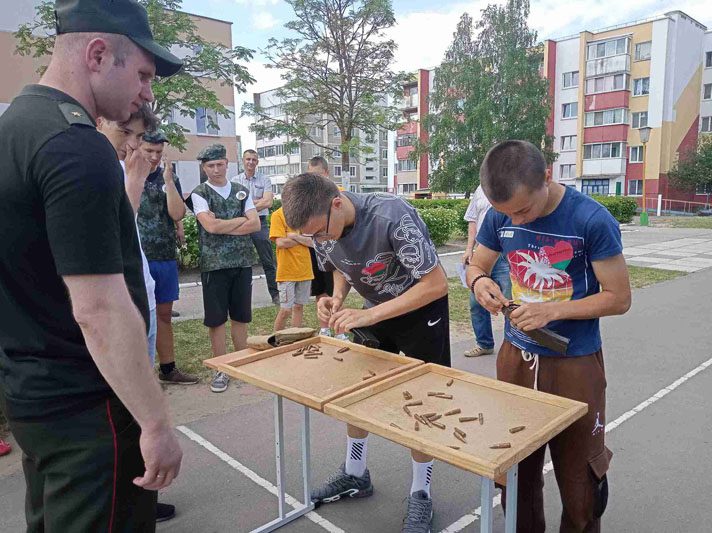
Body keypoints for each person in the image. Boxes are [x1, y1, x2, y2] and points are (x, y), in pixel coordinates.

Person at [0, 0, 184, 530]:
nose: (148, 93)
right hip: (91, 412)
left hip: (34, 399)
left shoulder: (15, 127)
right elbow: (99, 310)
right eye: (145, 74)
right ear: (99, 54)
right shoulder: (76, 148)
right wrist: (155, 423)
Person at [467, 140, 631, 532]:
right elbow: (477, 263)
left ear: (546, 176)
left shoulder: (591, 220)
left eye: (524, 210)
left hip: (574, 361)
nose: (517, 221)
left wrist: (553, 309)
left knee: (581, 481)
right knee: (516, 473)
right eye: (508, 214)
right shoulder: (498, 216)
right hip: (516, 359)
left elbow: (620, 298)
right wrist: (479, 282)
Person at [282, 173, 450, 533]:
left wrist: (368, 314)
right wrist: (337, 298)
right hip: (373, 308)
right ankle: (356, 473)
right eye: (312, 237)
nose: (319, 242)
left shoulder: (392, 216)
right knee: (358, 391)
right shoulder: (323, 226)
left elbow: (436, 284)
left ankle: (421, 492)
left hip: (421, 311)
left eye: (320, 233)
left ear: (337, 203)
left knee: (424, 401)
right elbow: (342, 265)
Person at [97, 106, 178, 524]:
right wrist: (132, 178)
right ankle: (132, 499)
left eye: (142, 139)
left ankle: (142, 495)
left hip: (141, 294)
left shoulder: (137, 175)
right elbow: (117, 230)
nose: (135, 146)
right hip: (121, 306)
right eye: (128, 134)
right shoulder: (103, 171)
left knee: (133, 414)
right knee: (130, 413)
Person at [190, 144, 260, 393]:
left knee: (241, 316)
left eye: (220, 164)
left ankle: (240, 363)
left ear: (227, 164)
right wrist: (240, 220)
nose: (216, 169)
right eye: (210, 165)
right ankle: (221, 368)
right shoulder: (199, 193)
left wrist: (224, 223)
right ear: (204, 167)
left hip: (241, 262)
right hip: (215, 266)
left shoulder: (241, 191)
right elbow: (210, 227)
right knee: (217, 320)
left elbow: (255, 226)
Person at [138, 130, 198, 385]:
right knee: (139, 318)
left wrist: (169, 181)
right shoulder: (125, 173)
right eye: (149, 150)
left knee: (163, 315)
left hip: (163, 256)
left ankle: (168, 369)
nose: (153, 156)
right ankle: (140, 376)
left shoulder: (166, 177)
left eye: (158, 152)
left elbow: (177, 214)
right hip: (136, 257)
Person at [462, 185, 511, 357]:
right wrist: (469, 249)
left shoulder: (514, 185)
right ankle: (484, 343)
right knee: (477, 302)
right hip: (483, 252)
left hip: (505, 254)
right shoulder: (480, 190)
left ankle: (513, 345)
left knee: (509, 302)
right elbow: (472, 220)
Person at [305, 156, 347, 339]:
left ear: (327, 173)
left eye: (319, 175)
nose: (316, 181)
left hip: (337, 248)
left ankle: (339, 329)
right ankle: (325, 327)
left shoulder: (340, 195)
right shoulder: (308, 200)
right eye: (311, 176)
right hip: (316, 251)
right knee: (321, 290)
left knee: (337, 290)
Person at [232, 149, 279, 305]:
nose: (250, 162)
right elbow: (234, 205)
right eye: (248, 159)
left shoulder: (265, 180)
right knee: (242, 262)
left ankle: (275, 295)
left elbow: (268, 202)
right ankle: (242, 297)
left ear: (257, 162)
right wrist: (256, 203)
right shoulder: (235, 181)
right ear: (243, 161)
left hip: (260, 223)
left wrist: (247, 205)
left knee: (268, 261)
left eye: (253, 159)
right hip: (243, 223)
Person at [269, 206, 313, 331]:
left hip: (305, 270)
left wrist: (294, 236)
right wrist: (302, 239)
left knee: (299, 307)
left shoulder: (305, 214)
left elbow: (313, 242)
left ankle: (295, 337)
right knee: (286, 310)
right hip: (286, 272)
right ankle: (276, 340)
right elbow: (281, 243)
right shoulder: (277, 215)